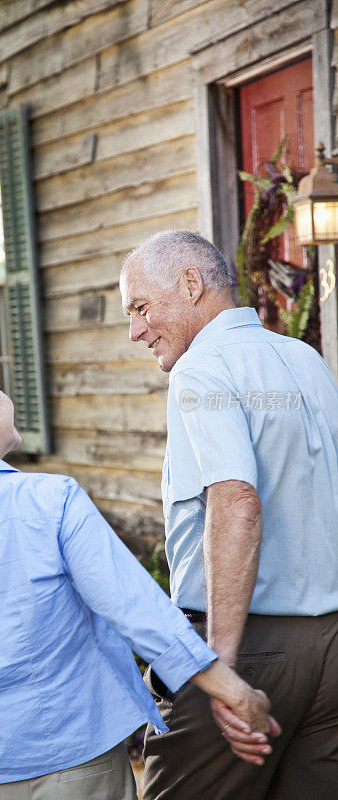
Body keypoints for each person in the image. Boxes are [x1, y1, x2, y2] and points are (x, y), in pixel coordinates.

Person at [0, 344, 275, 800]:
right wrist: (232, 689)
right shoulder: (52, 501)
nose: (7, 399)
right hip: (75, 768)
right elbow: (135, 608)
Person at [120, 230, 338, 800]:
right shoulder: (306, 359)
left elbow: (237, 503)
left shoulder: (200, 369)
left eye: (141, 307)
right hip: (331, 651)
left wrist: (220, 670)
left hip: (245, 651)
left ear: (191, 284)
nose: (135, 330)